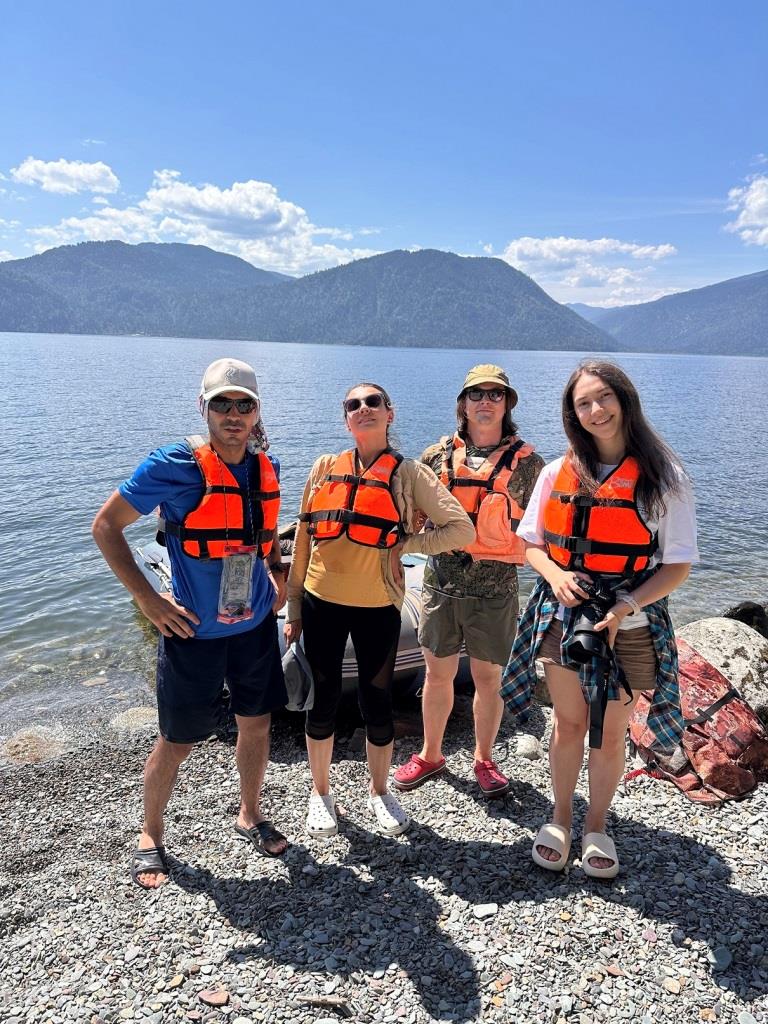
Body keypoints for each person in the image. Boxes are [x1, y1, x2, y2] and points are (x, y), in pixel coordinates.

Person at [92, 358, 290, 889]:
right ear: (204, 407)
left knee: (257, 724)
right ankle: (151, 834)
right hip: (191, 633)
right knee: (177, 740)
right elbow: (106, 526)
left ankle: (249, 813)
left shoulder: (263, 466)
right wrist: (149, 599)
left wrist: (275, 574)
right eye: (222, 403)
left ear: (256, 412)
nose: (233, 414)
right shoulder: (173, 463)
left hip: (251, 630)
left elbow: (264, 536)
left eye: (243, 404)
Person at [501, 360, 698, 878]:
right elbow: (530, 544)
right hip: (565, 616)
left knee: (610, 734)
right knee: (567, 724)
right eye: (582, 403)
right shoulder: (555, 472)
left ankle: (597, 824)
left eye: (603, 397)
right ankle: (560, 817)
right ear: (573, 414)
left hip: (628, 624)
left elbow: (677, 565)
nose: (595, 410)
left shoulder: (664, 477)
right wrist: (556, 576)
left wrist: (623, 607)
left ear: (625, 400)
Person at [285, 382, 475, 838]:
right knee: (324, 699)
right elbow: (304, 545)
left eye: (373, 402)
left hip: (377, 608)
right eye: (354, 405)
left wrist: (408, 543)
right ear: (345, 418)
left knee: (377, 703)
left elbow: (461, 529)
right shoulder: (324, 468)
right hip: (321, 602)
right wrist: (293, 607)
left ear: (390, 413)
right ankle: (321, 794)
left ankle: (378, 792)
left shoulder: (408, 475)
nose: (363, 409)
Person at [394, 365, 543, 798]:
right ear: (463, 403)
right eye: (476, 393)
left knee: (487, 680)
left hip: (496, 590)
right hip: (441, 586)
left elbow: (545, 528)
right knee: (436, 676)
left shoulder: (530, 465)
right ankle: (430, 754)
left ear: (507, 404)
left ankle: (484, 759)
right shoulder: (435, 457)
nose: (485, 401)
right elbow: (410, 519)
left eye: (495, 394)